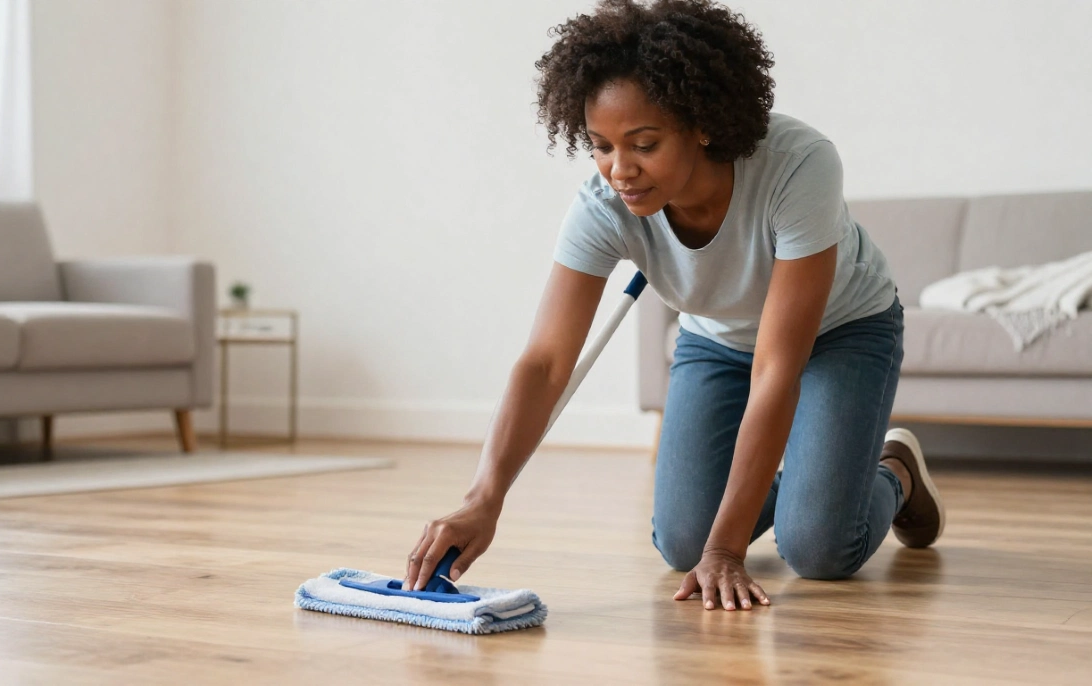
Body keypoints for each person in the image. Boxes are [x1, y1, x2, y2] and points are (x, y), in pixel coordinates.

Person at [404, 0, 945, 611]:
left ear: (702, 124)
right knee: (684, 541)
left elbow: (776, 369)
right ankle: (816, 484)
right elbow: (546, 362)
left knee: (818, 549)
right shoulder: (602, 207)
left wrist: (729, 551)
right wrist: (484, 496)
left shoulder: (798, 165)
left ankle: (892, 470)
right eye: (600, 145)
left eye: (644, 143)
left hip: (841, 330)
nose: (620, 170)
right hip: (717, 339)